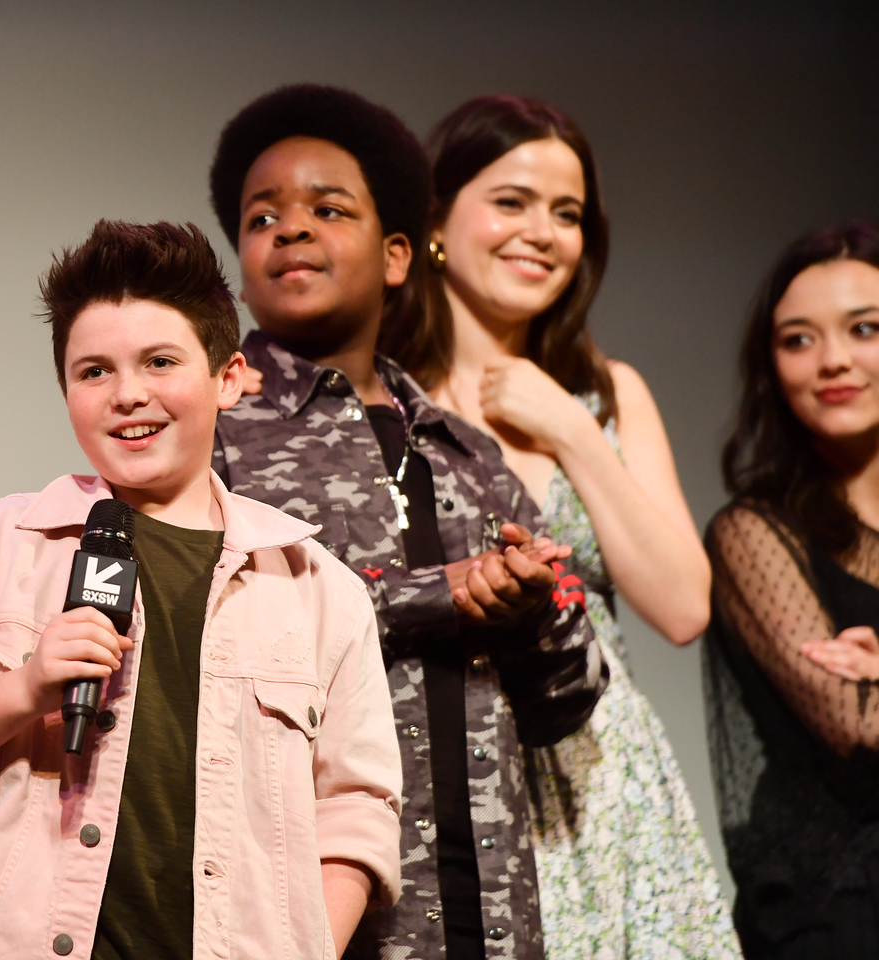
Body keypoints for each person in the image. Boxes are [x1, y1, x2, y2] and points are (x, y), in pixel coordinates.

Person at [0, 220, 405, 960]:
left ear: (228, 378)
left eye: (160, 361)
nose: (128, 395)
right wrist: (26, 688)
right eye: (94, 372)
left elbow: (356, 815)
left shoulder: (316, 585)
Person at [209, 84, 606, 960]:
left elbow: (567, 704)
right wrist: (439, 596)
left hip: (489, 908)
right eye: (261, 217)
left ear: (396, 256)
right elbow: (215, 639)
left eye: (327, 208)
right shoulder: (218, 433)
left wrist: (535, 602)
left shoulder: (466, 452)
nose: (291, 228)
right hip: (315, 907)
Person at [384, 94, 740, 958]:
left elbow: (685, 608)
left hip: (603, 778)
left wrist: (573, 431)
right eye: (511, 202)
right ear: (435, 218)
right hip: (450, 763)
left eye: (567, 213)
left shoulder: (604, 395)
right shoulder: (379, 396)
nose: (542, 231)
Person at [705, 220, 879, 958]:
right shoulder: (754, 534)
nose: (833, 360)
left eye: (865, 328)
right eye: (798, 339)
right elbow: (861, 728)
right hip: (840, 909)